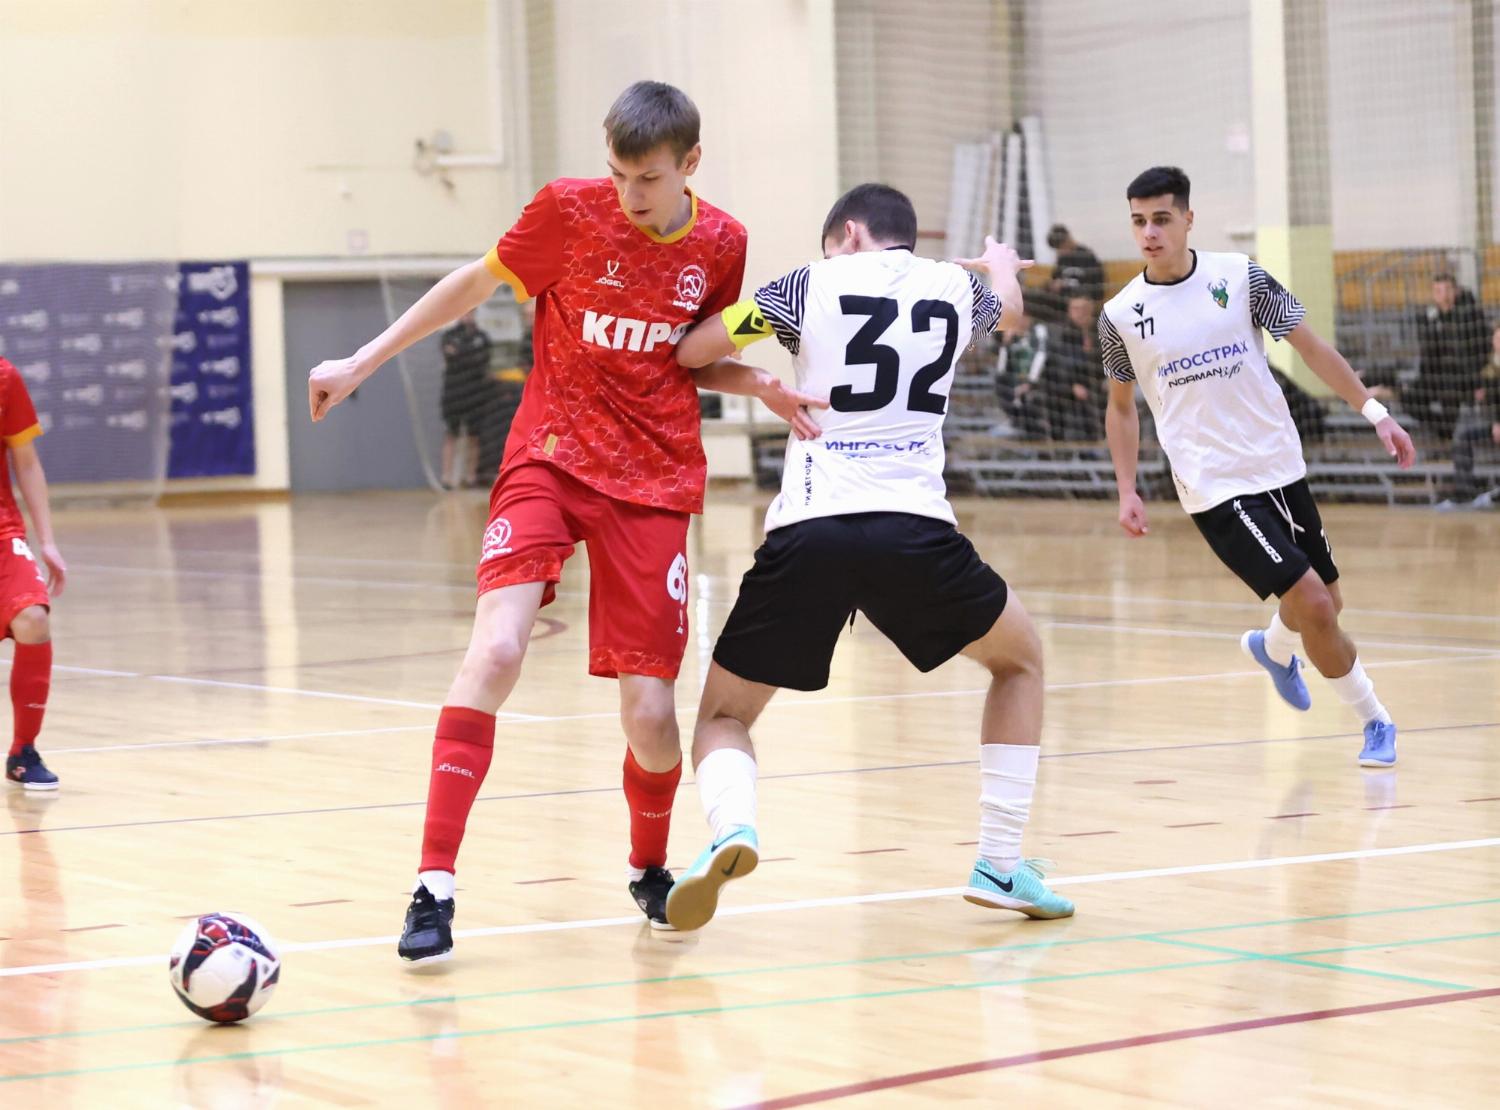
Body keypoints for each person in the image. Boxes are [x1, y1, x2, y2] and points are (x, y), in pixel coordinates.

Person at [307, 81, 821, 963]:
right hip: (550, 453)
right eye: (619, 174)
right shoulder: (568, 213)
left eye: (648, 179)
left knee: (650, 716)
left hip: (652, 478)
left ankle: (649, 869)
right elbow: (473, 283)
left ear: (690, 164)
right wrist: (363, 359)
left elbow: (694, 358)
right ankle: (433, 886)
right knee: (497, 650)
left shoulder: (722, 243)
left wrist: (761, 384)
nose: (630, 194)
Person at [663, 184, 1075, 932]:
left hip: (811, 530)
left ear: (848, 234)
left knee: (723, 716)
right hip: (914, 530)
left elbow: (691, 352)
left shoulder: (804, 285)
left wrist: (762, 381)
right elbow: (1013, 313)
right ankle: (999, 863)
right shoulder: (957, 289)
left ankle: (732, 826)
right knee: (1020, 663)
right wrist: (999, 264)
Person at [1099, 166, 1417, 768]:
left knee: (1328, 605)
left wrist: (1375, 413)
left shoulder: (1240, 276)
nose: (1149, 233)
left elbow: (1311, 347)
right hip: (1212, 483)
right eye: (1139, 222)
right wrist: (1126, 489)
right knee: (1314, 605)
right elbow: (1121, 409)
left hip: (1277, 461)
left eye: (1161, 219)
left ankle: (1272, 647)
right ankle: (1376, 720)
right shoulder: (1119, 315)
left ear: (1188, 218)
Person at [0, 357, 66, 791]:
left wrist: (47, 541)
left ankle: (23, 751)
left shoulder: (4, 377)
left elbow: (25, 461)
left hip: (3, 532)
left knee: (33, 618)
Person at [1408, 274, 1488, 442]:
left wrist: (1479, 383)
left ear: (1455, 291)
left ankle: (1448, 437)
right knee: (1410, 397)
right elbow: (1428, 354)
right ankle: (1444, 433)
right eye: (1437, 290)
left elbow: (1480, 351)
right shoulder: (1430, 318)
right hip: (1437, 378)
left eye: (1446, 290)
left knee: (1449, 395)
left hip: (1464, 380)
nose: (1442, 295)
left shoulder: (1469, 316)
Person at [1438, 321, 1500, 510]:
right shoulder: (1490, 367)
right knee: (1463, 438)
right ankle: (1464, 493)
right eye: (1497, 337)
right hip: (1494, 424)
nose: (1498, 341)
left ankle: (1494, 497)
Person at [438, 311, 494, 488]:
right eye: (464, 312)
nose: (467, 315)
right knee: (451, 434)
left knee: (473, 437)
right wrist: (469, 356)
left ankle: (470, 477)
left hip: (476, 392)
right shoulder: (449, 335)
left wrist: (461, 354)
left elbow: (483, 360)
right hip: (453, 392)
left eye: (471, 312)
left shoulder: (482, 336)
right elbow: (451, 356)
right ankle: (446, 478)